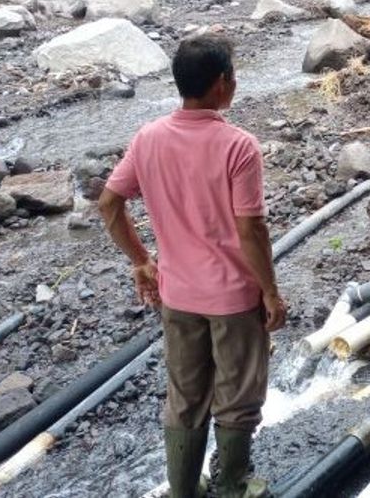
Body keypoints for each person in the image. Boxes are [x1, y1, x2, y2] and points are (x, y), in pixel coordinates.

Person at [98, 31, 287, 498]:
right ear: (223, 83)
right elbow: (251, 229)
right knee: (238, 397)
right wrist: (270, 291)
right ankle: (231, 485)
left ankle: (184, 490)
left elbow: (108, 204)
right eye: (233, 76)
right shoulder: (238, 146)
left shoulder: (148, 138)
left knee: (184, 398)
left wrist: (142, 261)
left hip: (176, 295)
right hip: (232, 298)